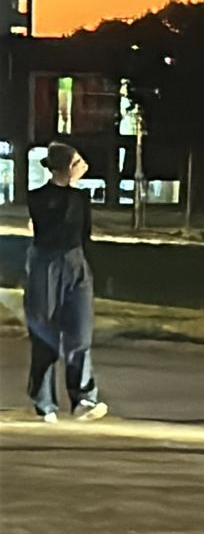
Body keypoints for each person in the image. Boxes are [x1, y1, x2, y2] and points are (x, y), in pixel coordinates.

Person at [24, 142, 106, 424]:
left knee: (80, 332)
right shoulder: (39, 197)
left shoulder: (80, 198)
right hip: (46, 264)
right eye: (79, 162)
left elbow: (84, 234)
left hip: (75, 263)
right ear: (68, 166)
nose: (85, 166)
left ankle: (83, 397)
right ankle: (44, 401)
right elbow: (55, 224)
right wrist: (70, 182)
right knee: (45, 333)